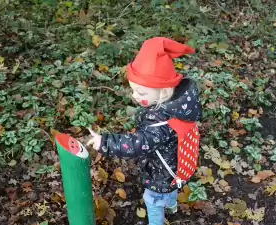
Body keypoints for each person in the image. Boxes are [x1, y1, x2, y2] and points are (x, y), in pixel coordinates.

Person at [87, 37, 202, 225]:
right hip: (175, 166)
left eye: (141, 93)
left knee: (152, 201)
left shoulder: (160, 124)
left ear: (163, 92)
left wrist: (105, 142)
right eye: (133, 90)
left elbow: (137, 144)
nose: (134, 96)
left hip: (161, 173)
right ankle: (172, 208)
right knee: (171, 190)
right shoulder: (178, 106)